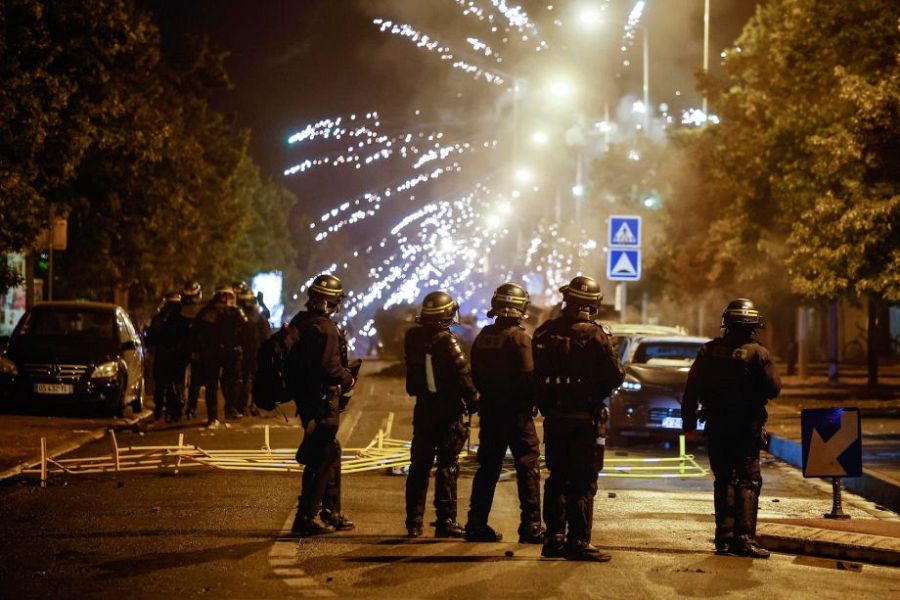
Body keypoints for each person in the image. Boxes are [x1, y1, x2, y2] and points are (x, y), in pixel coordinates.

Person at [533, 276, 623, 562]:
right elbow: (615, 375)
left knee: (557, 477)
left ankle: (554, 538)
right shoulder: (597, 335)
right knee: (583, 480)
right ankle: (578, 541)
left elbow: (533, 377)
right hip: (585, 420)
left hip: (555, 418)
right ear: (593, 305)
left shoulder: (545, 332)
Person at [682, 298, 781, 559]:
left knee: (723, 479)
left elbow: (691, 390)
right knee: (748, 480)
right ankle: (744, 539)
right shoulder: (758, 353)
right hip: (746, 426)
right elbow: (774, 389)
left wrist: (688, 424)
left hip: (717, 425)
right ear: (752, 326)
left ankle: (723, 540)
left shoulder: (708, 351)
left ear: (726, 323)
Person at [465, 282, 543, 544]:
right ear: (521, 308)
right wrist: (534, 402)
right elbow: (529, 377)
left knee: (487, 468)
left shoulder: (483, 337)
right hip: (517, 414)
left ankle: (476, 524)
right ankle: (531, 527)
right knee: (528, 465)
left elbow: (473, 373)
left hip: (491, 412)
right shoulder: (521, 339)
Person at [404, 290, 478, 538]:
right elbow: (463, 376)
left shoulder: (413, 338)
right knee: (447, 466)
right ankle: (446, 521)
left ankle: (413, 522)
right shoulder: (448, 341)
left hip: (423, 409)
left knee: (419, 467)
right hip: (448, 412)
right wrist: (475, 401)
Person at [287, 274, 357, 537]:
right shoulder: (326, 328)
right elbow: (329, 367)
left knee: (331, 451)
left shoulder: (300, 322)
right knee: (322, 455)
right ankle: (305, 518)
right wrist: (348, 378)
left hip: (306, 399)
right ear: (334, 301)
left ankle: (331, 511)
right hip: (322, 400)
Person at [193, 286, 246, 428]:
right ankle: (229, 409)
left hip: (212, 352)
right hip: (227, 352)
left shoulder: (206, 311)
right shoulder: (234, 311)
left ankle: (213, 416)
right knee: (231, 382)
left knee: (212, 385)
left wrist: (198, 349)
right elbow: (244, 328)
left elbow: (196, 331)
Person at [145, 292, 182, 421]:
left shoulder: (159, 318)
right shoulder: (182, 318)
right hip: (177, 356)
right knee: (176, 383)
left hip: (162, 355)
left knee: (161, 384)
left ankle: (160, 408)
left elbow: (150, 338)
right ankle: (173, 408)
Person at [237, 288, 271, 416]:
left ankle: (242, 407)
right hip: (257, 352)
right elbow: (266, 336)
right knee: (254, 380)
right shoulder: (259, 317)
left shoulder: (238, 316)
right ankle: (253, 406)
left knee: (245, 379)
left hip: (242, 353)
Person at [174, 281, 204, 420]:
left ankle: (182, 401)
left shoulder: (177, 311)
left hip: (183, 348)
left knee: (182, 377)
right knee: (194, 380)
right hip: (194, 350)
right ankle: (190, 407)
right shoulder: (201, 313)